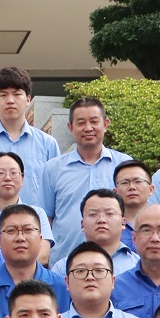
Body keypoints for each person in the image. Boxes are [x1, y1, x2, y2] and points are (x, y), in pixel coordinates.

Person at [41, 96, 131, 227]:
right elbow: (45, 218)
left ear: (105, 124)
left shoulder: (124, 165)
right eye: (81, 123)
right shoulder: (53, 168)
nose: (88, 128)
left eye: (94, 121)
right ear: (70, 127)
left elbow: (134, 210)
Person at [0, 151, 54, 255]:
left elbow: (43, 255)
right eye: (0, 173)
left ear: (22, 178)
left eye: (13, 173)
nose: (7, 178)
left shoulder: (37, 213)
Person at [62, 187, 140, 277]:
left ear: (123, 222)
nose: (101, 220)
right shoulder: (63, 268)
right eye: (93, 214)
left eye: (109, 213)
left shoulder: (138, 265)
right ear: (82, 224)